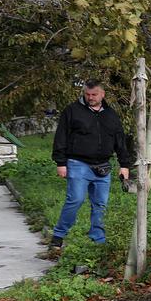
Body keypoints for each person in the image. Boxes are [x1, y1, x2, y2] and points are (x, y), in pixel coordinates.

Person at [50, 79, 134, 247]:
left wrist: (124, 165)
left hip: (103, 166)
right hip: (77, 163)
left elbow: (120, 140)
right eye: (87, 94)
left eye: (94, 94)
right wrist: (61, 163)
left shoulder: (110, 115)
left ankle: (98, 240)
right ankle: (58, 236)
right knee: (76, 199)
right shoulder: (72, 111)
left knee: (100, 204)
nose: (90, 97)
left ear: (102, 94)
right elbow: (61, 137)